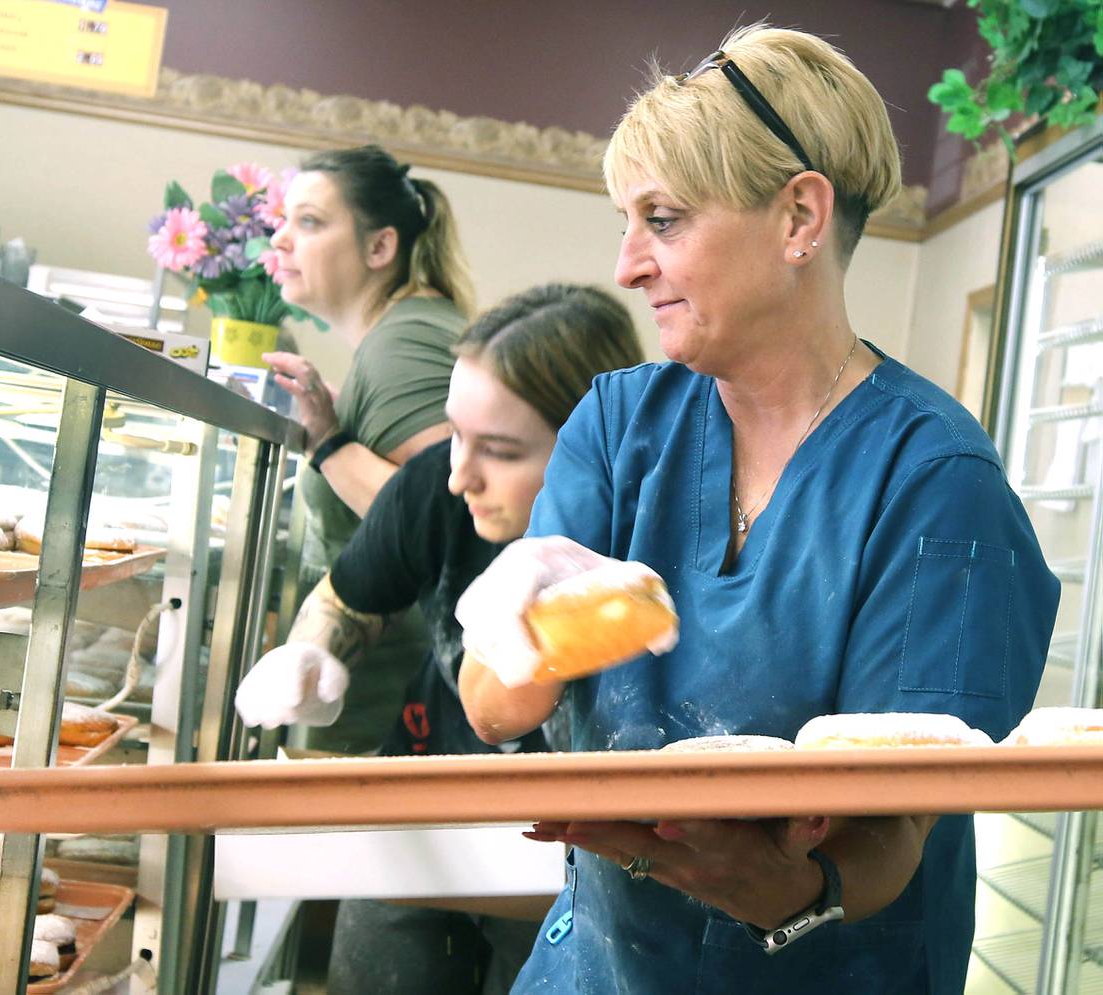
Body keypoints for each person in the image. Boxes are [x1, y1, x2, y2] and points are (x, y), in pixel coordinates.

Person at [454, 25, 1060, 995]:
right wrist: (523, 626)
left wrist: (785, 888)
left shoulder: (935, 482)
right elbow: (492, 709)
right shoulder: (618, 425)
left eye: (662, 218)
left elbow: (898, 829)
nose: (626, 265)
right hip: (598, 968)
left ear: (798, 219)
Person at [236, 284, 644, 994]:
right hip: (426, 816)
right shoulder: (436, 488)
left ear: (595, 446)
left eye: (501, 450)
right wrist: (311, 650)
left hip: (585, 859)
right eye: (455, 433)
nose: (461, 473)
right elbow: (347, 599)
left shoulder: (652, 537)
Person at [265, 144, 475, 754]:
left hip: (383, 711)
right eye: (285, 221)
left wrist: (330, 446)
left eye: (308, 221)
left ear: (380, 247)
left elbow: (447, 518)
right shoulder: (403, 332)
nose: (280, 240)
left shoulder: (402, 344)